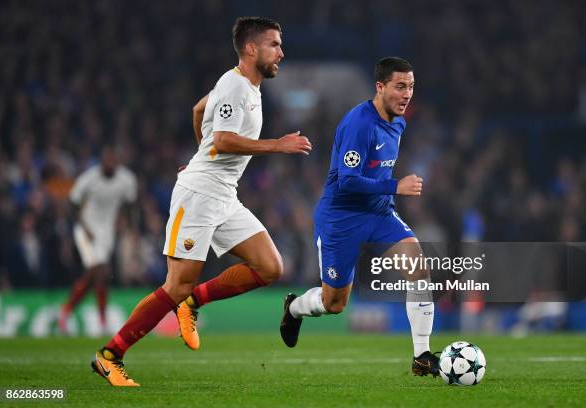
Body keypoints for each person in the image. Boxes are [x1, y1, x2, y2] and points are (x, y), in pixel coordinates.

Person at [91, 16, 312, 387]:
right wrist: (275, 144)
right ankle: (110, 355)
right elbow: (223, 141)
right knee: (176, 284)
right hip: (199, 195)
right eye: (274, 44)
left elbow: (198, 111)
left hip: (224, 194)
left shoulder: (247, 88)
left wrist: (201, 153)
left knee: (270, 266)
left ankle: (193, 304)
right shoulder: (234, 85)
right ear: (251, 48)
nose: (281, 52)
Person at [280, 57, 439, 376]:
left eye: (410, 86)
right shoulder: (358, 124)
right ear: (380, 87)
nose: (407, 93)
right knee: (334, 303)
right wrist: (396, 186)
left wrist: (387, 193)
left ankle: (421, 357)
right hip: (342, 218)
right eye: (399, 86)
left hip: (379, 212)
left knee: (418, 266)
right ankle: (295, 308)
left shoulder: (399, 120)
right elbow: (348, 180)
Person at [59, 147, 137, 335]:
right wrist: (83, 227)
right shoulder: (88, 179)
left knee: (95, 275)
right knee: (99, 271)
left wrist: (129, 226)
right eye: (107, 162)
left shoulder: (127, 180)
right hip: (85, 230)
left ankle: (65, 312)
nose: (110, 165)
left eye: (113, 162)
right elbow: (72, 204)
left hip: (106, 233)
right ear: (101, 162)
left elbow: (130, 205)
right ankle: (102, 321)